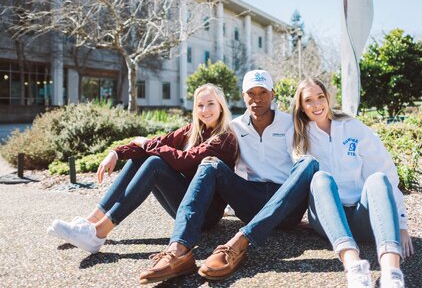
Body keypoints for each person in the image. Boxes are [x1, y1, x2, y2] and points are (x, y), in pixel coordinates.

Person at [138, 70, 319, 284]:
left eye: (263, 92)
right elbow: (194, 155)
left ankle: (239, 242)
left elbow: (302, 157)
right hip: (251, 200)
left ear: (272, 94)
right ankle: (179, 251)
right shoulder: (234, 127)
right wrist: (122, 150)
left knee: (308, 162)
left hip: (286, 204)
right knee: (210, 164)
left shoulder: (291, 122)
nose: (257, 98)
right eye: (251, 92)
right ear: (243, 96)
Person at [47, 83, 238, 254]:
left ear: (221, 106)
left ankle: (98, 233)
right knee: (144, 157)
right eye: (200, 105)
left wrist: (146, 143)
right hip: (186, 203)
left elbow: (184, 161)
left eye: (211, 103)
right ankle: (90, 223)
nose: (205, 110)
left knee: (155, 163)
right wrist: (117, 153)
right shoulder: (192, 131)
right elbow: (158, 143)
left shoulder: (225, 139)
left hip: (206, 214)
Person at [292, 78, 414, 288]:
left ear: (328, 98)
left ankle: (391, 272)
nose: (317, 104)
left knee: (378, 178)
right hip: (328, 220)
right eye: (309, 100)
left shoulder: (352, 127)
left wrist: (401, 223)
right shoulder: (298, 136)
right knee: (321, 177)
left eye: (320, 97)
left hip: (362, 217)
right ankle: (354, 267)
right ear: (301, 106)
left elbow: (386, 171)